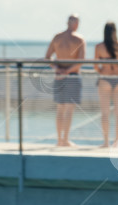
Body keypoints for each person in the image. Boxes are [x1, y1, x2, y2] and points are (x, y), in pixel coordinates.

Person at [45, 14, 86, 147]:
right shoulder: (79, 39)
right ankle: (65, 139)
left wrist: (58, 69)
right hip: (72, 76)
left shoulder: (57, 37)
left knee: (60, 109)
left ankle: (59, 140)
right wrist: (67, 71)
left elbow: (48, 58)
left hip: (59, 76)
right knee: (68, 109)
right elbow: (80, 61)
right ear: (76, 24)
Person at [94, 22, 118, 148]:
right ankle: (117, 142)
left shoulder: (99, 47)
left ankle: (105, 142)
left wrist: (102, 71)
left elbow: (95, 65)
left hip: (105, 78)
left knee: (105, 112)